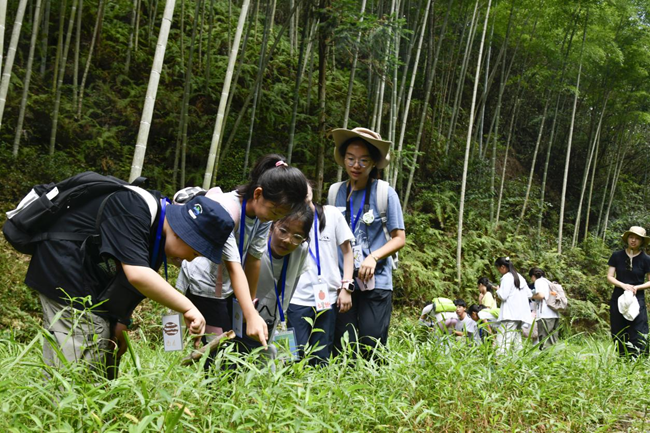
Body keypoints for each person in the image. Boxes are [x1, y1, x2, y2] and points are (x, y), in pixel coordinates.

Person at [26, 187, 233, 376]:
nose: (190, 259)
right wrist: (189, 307)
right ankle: (68, 409)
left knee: (105, 348)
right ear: (185, 235)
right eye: (195, 252)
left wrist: (121, 321)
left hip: (91, 280)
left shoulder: (155, 231)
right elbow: (137, 274)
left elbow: (126, 279)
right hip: (65, 270)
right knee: (81, 355)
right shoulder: (135, 209)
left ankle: (80, 405)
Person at [176, 154, 308, 349]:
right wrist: (250, 315)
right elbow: (235, 265)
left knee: (229, 348)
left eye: (282, 214)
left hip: (226, 288)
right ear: (258, 194)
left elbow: (253, 260)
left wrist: (250, 306)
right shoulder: (226, 211)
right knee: (215, 352)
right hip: (202, 285)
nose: (276, 217)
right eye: (275, 211)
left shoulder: (262, 216)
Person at [328, 127, 406, 357]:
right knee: (343, 346)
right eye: (351, 158)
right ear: (343, 160)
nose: (356, 165)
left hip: (377, 281)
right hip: (344, 283)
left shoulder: (384, 193)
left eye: (364, 160)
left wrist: (373, 256)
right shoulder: (335, 193)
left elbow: (399, 238)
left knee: (372, 344)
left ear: (373, 163)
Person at [286, 185, 354, 365]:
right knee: (295, 356)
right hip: (297, 298)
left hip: (327, 297)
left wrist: (346, 287)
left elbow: (348, 252)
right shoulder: (287, 219)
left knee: (321, 355)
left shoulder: (331, 214)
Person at [233, 207, 313, 360]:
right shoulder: (256, 246)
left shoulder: (301, 251)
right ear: (272, 225)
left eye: (297, 236)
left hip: (271, 323)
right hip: (243, 319)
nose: (287, 240)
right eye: (283, 231)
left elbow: (291, 286)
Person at [606, 226, 650, 357]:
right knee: (618, 329)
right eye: (631, 237)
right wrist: (623, 285)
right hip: (618, 297)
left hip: (638, 298)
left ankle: (638, 359)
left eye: (637, 238)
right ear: (627, 239)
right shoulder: (617, 256)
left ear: (642, 241)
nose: (633, 240)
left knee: (639, 329)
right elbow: (609, 276)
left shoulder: (646, 259)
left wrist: (637, 287)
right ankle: (622, 358)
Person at [494, 257, 532, 355]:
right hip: (519, 315)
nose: (498, 271)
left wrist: (498, 289)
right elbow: (529, 294)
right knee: (516, 340)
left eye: (498, 268)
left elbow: (503, 296)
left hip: (509, 315)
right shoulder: (519, 276)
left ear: (502, 267)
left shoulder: (507, 277)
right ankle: (518, 360)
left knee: (503, 340)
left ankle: (500, 361)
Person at [529, 267, 559, 350]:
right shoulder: (549, 282)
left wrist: (531, 296)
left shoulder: (538, 282)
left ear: (533, 276)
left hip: (545, 315)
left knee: (544, 340)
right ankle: (554, 359)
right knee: (553, 340)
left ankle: (545, 359)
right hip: (554, 314)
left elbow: (541, 295)